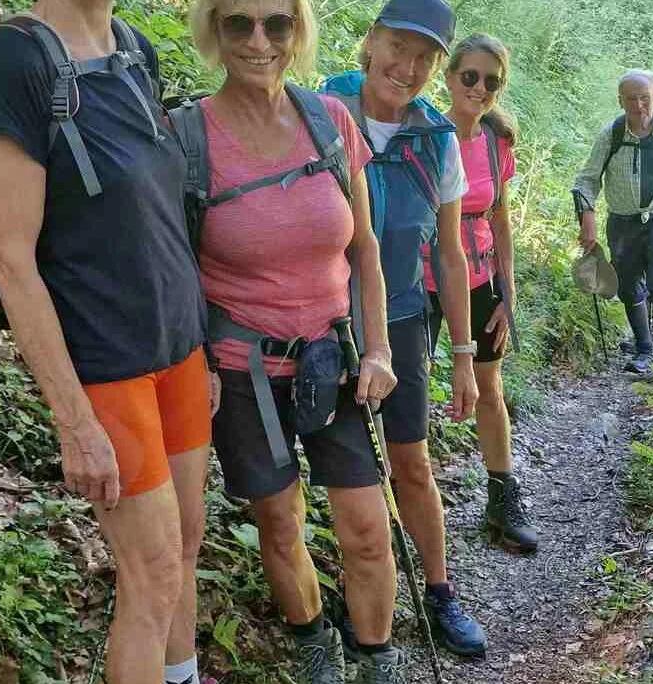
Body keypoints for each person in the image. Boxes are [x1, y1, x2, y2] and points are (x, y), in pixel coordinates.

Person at [0, 1, 215, 683]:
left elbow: (155, 212)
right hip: (107, 365)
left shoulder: (132, 47)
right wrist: (74, 421)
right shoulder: (16, 59)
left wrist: (203, 343)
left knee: (185, 547)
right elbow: (10, 260)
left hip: (179, 348)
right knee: (152, 574)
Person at [184, 0, 405, 681]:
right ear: (213, 33)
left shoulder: (329, 122)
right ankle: (315, 647)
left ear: (297, 31)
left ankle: (376, 659)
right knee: (278, 524)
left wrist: (377, 350)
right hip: (240, 368)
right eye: (238, 24)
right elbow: (173, 265)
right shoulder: (188, 138)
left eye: (276, 23)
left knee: (367, 529)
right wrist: (195, 358)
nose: (259, 40)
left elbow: (366, 248)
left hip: (331, 358)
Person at [322, 0, 487, 658]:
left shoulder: (436, 137)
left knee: (412, 463)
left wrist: (466, 355)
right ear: (371, 41)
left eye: (424, 57)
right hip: (323, 323)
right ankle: (356, 584)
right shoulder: (318, 112)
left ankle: (440, 590)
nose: (408, 66)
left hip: (403, 320)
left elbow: (449, 255)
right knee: (342, 472)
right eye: (398, 46)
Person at [423, 33, 539, 552]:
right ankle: (409, 498)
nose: (479, 88)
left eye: (490, 81)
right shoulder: (423, 134)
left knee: (489, 386)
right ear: (448, 77)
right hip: (423, 276)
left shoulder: (495, 143)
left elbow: (500, 216)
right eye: (469, 76)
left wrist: (507, 290)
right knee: (411, 384)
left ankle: (501, 494)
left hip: (482, 275)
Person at [571, 69, 653, 374]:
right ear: (620, 101)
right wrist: (587, 217)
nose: (639, 105)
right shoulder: (613, 133)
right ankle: (644, 348)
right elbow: (587, 180)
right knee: (629, 286)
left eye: (645, 98)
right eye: (631, 99)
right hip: (623, 223)